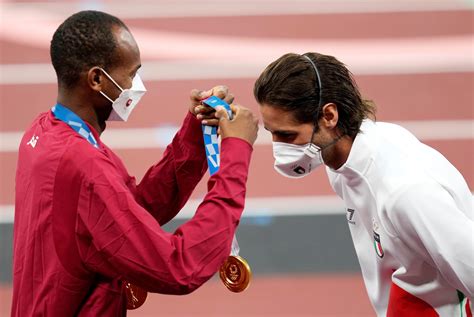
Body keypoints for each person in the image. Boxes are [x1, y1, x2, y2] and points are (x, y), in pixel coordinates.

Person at [12, 10, 259, 316]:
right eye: (131, 73)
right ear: (97, 79)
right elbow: (178, 267)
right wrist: (236, 151)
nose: (136, 84)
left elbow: (129, 212)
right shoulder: (86, 166)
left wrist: (194, 136)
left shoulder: (44, 133)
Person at [254, 52, 473, 316]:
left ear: (329, 116)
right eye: (272, 133)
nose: (279, 147)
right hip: (408, 297)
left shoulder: (405, 193)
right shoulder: (340, 158)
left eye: (287, 135)